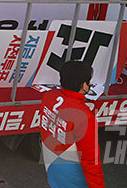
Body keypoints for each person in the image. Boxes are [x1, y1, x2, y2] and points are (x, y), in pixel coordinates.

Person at [39, 60, 104, 188]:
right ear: (84, 85)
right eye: (88, 81)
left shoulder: (49, 96)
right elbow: (90, 161)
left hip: (52, 164)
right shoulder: (84, 116)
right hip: (73, 175)